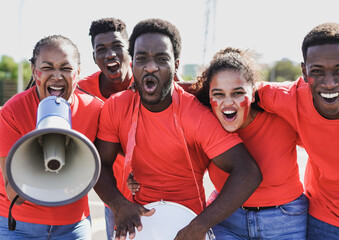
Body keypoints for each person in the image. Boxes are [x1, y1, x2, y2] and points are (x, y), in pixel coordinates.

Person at [93, 18, 262, 240]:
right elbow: (99, 163)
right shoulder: (116, 106)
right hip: (139, 222)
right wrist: (118, 204)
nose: (151, 66)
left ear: (176, 66)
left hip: (188, 222)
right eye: (142, 58)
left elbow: (248, 172)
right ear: (132, 63)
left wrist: (200, 225)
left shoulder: (195, 114)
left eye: (161, 59)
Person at [191, 47, 308, 239]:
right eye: (219, 94)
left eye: (237, 93)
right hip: (226, 219)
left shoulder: (281, 117)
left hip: (286, 219)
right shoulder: (207, 124)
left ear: (253, 93)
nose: (227, 103)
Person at [0, 35, 103, 239]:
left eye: (66, 68)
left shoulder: (95, 109)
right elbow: (14, 194)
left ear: (78, 73)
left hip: (73, 226)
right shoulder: (13, 111)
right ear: (34, 71)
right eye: (47, 68)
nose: (57, 76)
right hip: (18, 226)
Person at [257, 22, 339, 239]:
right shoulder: (291, 98)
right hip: (325, 219)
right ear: (305, 72)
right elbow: (234, 90)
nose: (329, 83)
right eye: (317, 71)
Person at [77, 17, 133, 240]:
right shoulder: (81, 90)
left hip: (157, 193)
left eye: (117, 46)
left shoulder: (151, 83)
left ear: (131, 50)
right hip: (113, 198)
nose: (110, 54)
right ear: (94, 57)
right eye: (101, 49)